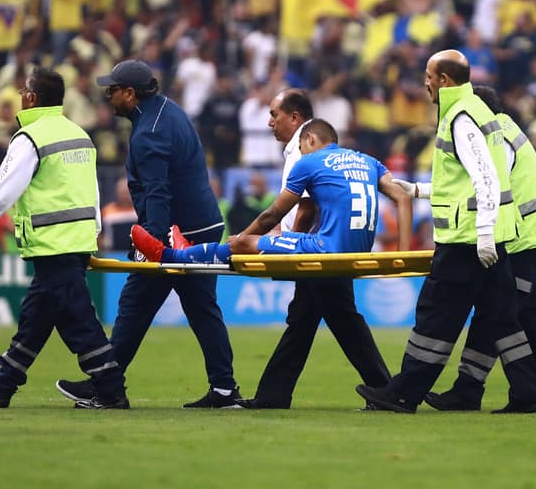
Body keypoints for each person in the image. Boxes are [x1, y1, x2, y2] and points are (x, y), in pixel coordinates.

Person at [133, 120, 412, 406]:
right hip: (353, 253)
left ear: (310, 139)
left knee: (243, 245)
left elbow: (272, 215)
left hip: (324, 250)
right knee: (309, 317)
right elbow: (402, 198)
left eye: (301, 146)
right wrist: (402, 254)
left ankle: (173, 255)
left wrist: (244, 238)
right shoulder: (369, 161)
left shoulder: (309, 163)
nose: (300, 152)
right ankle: (274, 395)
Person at [355, 50, 536, 414]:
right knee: (501, 316)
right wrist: (418, 190)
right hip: (486, 236)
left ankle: (403, 393)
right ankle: (528, 391)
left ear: (444, 80)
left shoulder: (460, 117)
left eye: (429, 76)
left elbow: (485, 178)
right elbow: (463, 182)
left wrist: (485, 233)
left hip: (467, 240)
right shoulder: (475, 111)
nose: (424, 82)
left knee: (436, 314)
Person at [56, 60, 242, 409]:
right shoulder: (167, 110)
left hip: (178, 235)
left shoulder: (149, 134)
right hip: (198, 225)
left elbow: (157, 192)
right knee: (199, 309)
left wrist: (150, 244)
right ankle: (223, 389)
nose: (108, 96)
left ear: (130, 93)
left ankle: (107, 387)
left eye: (113, 90)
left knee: (135, 306)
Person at [0, 68, 126, 410]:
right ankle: (3, 384)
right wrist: (94, 229)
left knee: (79, 321)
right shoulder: (79, 134)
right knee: (36, 317)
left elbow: (4, 192)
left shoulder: (30, 138)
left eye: (23, 90)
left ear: (32, 98)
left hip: (52, 243)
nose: (20, 94)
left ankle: (111, 391)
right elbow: (92, 190)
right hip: (77, 240)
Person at [416, 85, 536, 412]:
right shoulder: (505, 130)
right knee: (502, 312)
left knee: (514, 314)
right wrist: (419, 191)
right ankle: (472, 388)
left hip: (525, 240)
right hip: (533, 236)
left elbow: (490, 184)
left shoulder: (496, 137)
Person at [253, 90, 395, 409]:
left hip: (317, 248)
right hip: (325, 246)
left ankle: (388, 390)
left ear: (296, 119)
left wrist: (287, 245)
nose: (270, 122)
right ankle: (273, 396)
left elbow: (305, 208)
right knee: (310, 320)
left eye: (275, 115)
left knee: (332, 320)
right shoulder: (310, 151)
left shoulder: (303, 153)